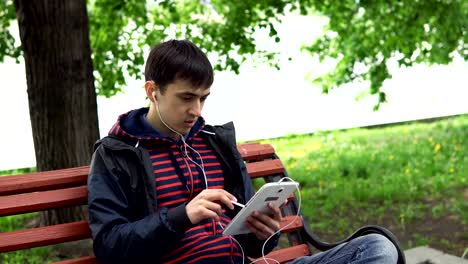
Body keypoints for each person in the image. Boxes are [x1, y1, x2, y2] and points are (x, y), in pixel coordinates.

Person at [87, 39, 401, 264]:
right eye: (186, 98)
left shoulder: (214, 143)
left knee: (376, 248)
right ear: (152, 91)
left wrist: (264, 233)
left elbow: (248, 239)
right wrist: (182, 215)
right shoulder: (118, 154)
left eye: (203, 98)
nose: (196, 110)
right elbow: (111, 247)